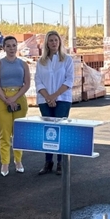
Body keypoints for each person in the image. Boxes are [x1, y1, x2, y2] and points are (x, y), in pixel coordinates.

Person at [35, 31, 74, 175]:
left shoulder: (67, 60)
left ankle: (60, 163)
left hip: (62, 100)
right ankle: (48, 162)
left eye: (56, 40)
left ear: (59, 42)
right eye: (50, 40)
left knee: (60, 130)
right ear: (47, 43)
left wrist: (54, 96)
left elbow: (69, 80)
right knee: (48, 131)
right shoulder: (41, 61)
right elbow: (38, 80)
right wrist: (47, 97)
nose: (53, 43)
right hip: (44, 100)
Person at [0, 36, 30, 176]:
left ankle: (18, 160)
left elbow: (27, 84)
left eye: (14, 45)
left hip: (19, 97)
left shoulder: (23, 64)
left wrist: (14, 98)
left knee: (19, 132)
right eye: (8, 46)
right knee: (5, 132)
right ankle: (5, 163)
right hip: (3, 97)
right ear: (4, 48)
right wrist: (7, 99)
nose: (12, 48)